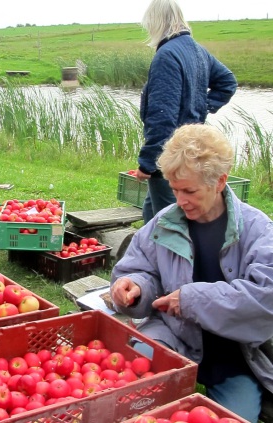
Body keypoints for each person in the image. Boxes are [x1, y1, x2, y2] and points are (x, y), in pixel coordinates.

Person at [111, 124, 273, 423]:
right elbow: (140, 267)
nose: (180, 200)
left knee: (233, 417)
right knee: (129, 385)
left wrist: (191, 299)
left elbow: (265, 298)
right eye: (174, 190)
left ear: (220, 181)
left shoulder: (258, 229)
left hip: (234, 351)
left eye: (190, 191)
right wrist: (134, 287)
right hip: (174, 333)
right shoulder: (164, 222)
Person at [136, 0, 237, 224]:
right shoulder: (197, 50)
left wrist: (148, 162)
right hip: (192, 147)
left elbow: (162, 116)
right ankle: (145, 256)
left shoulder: (167, 55)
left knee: (169, 223)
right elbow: (227, 82)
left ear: (155, 22)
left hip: (173, 153)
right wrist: (201, 106)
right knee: (152, 214)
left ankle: (175, 258)